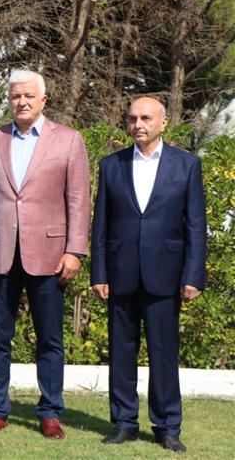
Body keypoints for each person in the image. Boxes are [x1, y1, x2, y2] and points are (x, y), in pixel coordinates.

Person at [0, 69, 91, 439]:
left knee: (50, 338)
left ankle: (50, 412)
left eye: (28, 96)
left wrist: (75, 251)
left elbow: (79, 200)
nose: (21, 102)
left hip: (50, 255)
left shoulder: (68, 140)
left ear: (43, 100)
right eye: (15, 96)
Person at [91, 97, 205, 453]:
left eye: (145, 118)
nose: (138, 124)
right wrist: (99, 273)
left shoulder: (186, 165)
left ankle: (167, 426)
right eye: (132, 118)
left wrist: (193, 275)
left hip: (166, 275)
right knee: (121, 352)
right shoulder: (111, 165)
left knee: (164, 353)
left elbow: (196, 225)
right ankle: (124, 422)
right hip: (120, 273)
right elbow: (101, 226)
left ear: (163, 122)